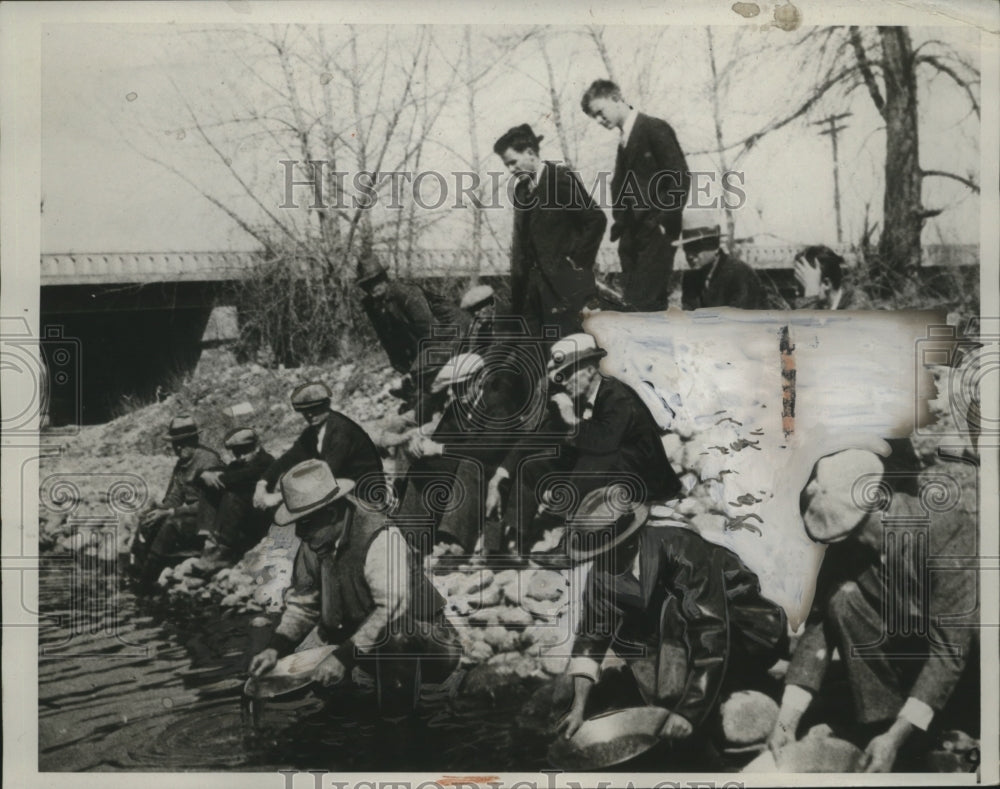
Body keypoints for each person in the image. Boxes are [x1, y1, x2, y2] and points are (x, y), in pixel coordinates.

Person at [768, 449, 979, 772]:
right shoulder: (850, 545)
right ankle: (880, 723)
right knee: (842, 598)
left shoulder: (947, 532)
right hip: (902, 650)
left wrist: (898, 736)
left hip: (961, 663)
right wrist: (787, 718)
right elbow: (820, 629)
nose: (851, 543)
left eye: (856, 532)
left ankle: (911, 734)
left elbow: (950, 651)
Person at [556, 485, 788, 745]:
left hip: (743, 626)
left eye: (613, 551)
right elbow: (591, 638)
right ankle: (681, 694)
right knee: (653, 675)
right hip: (674, 630)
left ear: (631, 539)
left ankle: (727, 692)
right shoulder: (601, 574)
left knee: (677, 626)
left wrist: (688, 712)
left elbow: (709, 628)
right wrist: (578, 708)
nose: (606, 561)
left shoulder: (680, 547)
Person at [248, 459, 460, 705]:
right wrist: (275, 648)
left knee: (398, 633)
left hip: (427, 647)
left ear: (331, 514)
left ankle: (401, 726)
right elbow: (304, 604)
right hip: (367, 646)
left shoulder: (380, 536)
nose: (300, 533)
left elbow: (391, 609)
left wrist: (343, 659)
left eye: (305, 523)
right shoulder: (314, 542)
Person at [485, 333, 683, 554]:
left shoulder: (617, 396)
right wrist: (500, 475)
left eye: (568, 373)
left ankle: (570, 542)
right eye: (560, 377)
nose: (564, 383)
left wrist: (571, 420)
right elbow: (536, 438)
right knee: (533, 467)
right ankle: (514, 541)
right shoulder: (575, 402)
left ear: (589, 368)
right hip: (603, 474)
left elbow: (604, 443)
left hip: (642, 478)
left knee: (593, 459)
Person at [581, 79, 690, 312]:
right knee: (638, 309)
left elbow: (679, 178)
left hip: (654, 234)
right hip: (632, 239)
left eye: (600, 113)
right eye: (595, 118)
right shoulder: (624, 141)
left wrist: (664, 222)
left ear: (616, 98)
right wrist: (622, 228)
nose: (600, 121)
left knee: (644, 307)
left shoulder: (654, 128)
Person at [494, 124, 607, 338]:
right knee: (533, 359)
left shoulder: (560, 179)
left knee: (564, 355)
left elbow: (595, 219)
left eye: (512, 162)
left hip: (564, 291)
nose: (510, 170)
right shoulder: (521, 191)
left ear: (529, 153)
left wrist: (576, 263)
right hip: (531, 295)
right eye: (506, 165)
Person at [254, 382, 387, 510]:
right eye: (305, 411)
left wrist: (279, 497)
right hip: (342, 490)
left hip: (364, 495)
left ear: (327, 404)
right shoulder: (313, 432)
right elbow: (289, 458)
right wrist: (263, 483)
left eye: (314, 409)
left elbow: (327, 477)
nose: (310, 415)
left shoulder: (341, 431)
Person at [129, 415, 222, 590]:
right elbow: (175, 496)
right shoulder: (182, 464)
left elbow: (209, 504)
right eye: (175, 443)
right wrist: (159, 511)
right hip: (187, 515)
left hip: (207, 521)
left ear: (194, 440)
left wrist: (171, 512)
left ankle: (146, 581)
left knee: (171, 524)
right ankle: (137, 571)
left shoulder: (210, 461)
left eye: (184, 442)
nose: (178, 447)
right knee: (148, 519)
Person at [197, 427, 275, 567]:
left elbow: (239, 477)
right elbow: (217, 477)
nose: (240, 457)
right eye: (236, 453)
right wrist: (203, 474)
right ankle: (209, 542)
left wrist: (214, 476)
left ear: (256, 447)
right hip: (244, 520)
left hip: (261, 521)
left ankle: (223, 552)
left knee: (232, 495)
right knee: (210, 487)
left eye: (244, 451)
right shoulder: (238, 464)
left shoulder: (266, 462)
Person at [678, 220, 767, 310]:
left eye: (696, 248)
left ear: (714, 246)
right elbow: (688, 314)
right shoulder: (690, 278)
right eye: (686, 248)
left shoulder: (740, 273)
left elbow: (743, 319)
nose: (689, 255)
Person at [793, 245, 871, 310]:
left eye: (802, 288)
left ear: (826, 284)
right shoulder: (826, 306)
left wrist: (810, 298)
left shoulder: (858, 305)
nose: (796, 293)